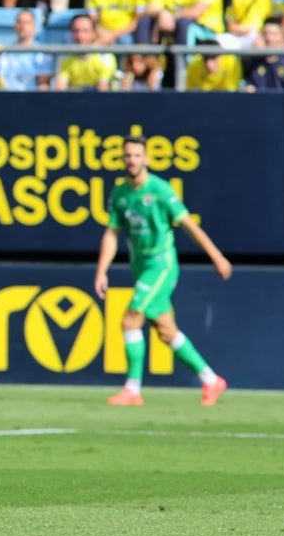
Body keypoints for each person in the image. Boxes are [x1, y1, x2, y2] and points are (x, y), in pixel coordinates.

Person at [94, 134, 231, 407]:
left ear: (145, 158)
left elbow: (189, 225)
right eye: (128, 156)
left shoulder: (160, 190)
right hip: (141, 266)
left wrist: (217, 257)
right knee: (167, 331)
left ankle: (132, 389)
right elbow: (111, 234)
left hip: (161, 264)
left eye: (136, 155)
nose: (131, 161)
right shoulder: (120, 194)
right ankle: (211, 379)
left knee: (130, 319)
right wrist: (101, 271)